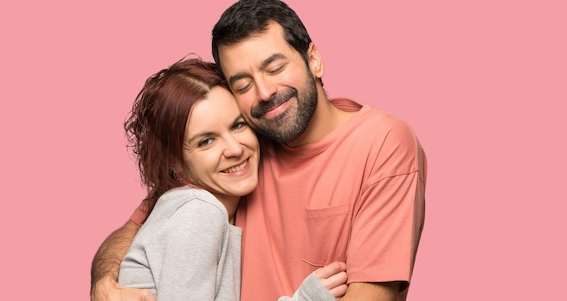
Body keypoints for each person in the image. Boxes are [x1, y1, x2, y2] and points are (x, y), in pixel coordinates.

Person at [91, 0, 427, 300]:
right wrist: (105, 281)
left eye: (275, 68)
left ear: (314, 59)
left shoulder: (381, 141)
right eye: (243, 84)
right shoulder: (241, 145)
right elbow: (138, 228)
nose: (265, 92)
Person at [113, 57, 348, 301]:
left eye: (237, 125)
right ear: (175, 161)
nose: (234, 149)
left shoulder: (188, 207)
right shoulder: (198, 211)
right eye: (206, 141)